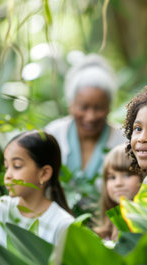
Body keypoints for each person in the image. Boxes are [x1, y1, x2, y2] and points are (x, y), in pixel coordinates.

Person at [0, 130, 74, 247]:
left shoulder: (63, 225)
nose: (8, 175)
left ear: (44, 173)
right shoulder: (2, 207)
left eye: (17, 166)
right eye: (6, 167)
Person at [45, 53, 126, 182]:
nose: (90, 117)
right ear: (71, 105)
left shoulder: (123, 140)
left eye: (98, 108)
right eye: (83, 107)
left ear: (109, 107)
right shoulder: (54, 133)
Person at [94, 144, 144, 240]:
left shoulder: (145, 224)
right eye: (112, 177)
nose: (118, 183)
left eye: (127, 175)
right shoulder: (105, 232)